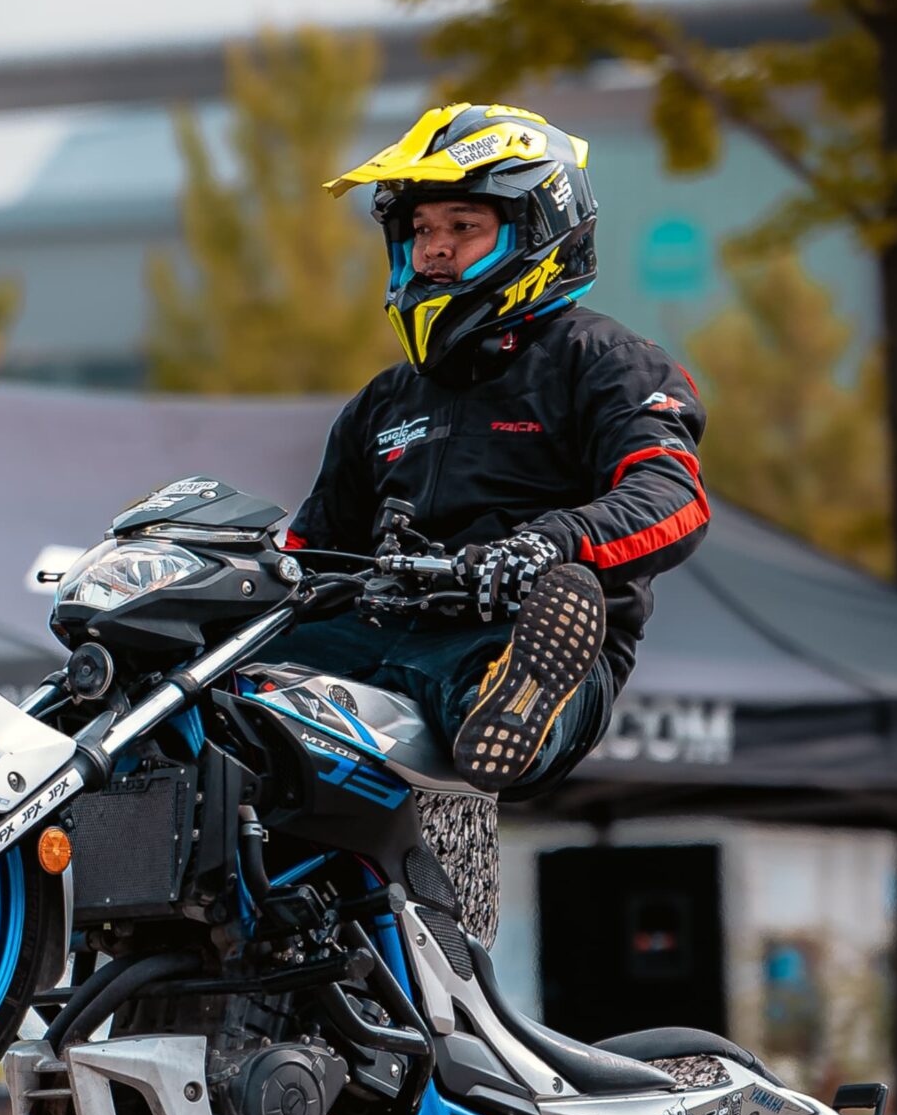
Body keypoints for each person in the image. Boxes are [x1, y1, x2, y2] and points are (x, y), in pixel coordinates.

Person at [283, 102, 708, 793]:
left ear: (537, 228)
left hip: (519, 634)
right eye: (421, 229)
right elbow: (311, 553)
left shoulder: (609, 361)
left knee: (486, 680)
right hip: (376, 631)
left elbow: (672, 498)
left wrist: (546, 545)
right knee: (224, 671)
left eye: (463, 227)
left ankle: (517, 699)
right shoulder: (384, 399)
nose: (434, 248)